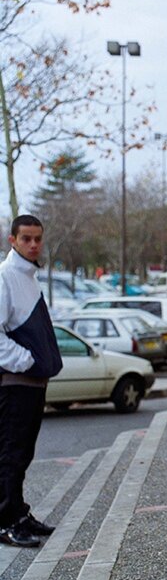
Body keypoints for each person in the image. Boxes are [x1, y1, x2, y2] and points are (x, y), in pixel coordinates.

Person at [0, 215, 62, 548]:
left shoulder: (29, 277)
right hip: (15, 382)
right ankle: (6, 521)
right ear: (12, 240)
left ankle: (18, 513)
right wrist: (26, 361)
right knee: (10, 453)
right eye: (26, 238)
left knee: (22, 453)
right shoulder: (6, 276)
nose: (33, 244)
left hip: (32, 383)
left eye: (38, 238)